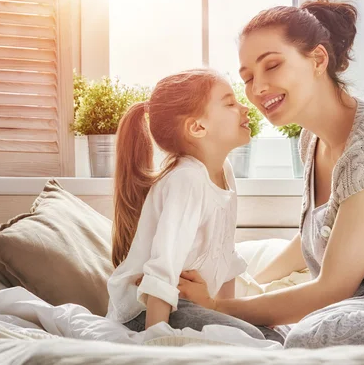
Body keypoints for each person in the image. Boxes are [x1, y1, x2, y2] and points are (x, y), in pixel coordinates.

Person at [175, 0, 364, 348]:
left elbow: (334, 286)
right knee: (188, 319)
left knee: (312, 333)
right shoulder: (311, 139)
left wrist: (220, 305)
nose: (257, 88)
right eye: (247, 77)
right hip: (361, 307)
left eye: (271, 66)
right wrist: (244, 288)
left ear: (318, 59)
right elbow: (318, 238)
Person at [106, 68, 284, 342]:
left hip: (184, 304)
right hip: (145, 310)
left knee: (272, 336)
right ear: (198, 127)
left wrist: (229, 316)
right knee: (252, 338)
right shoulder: (186, 179)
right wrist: (156, 339)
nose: (244, 108)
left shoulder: (223, 170)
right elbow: (161, 270)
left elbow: (225, 255)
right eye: (229, 103)